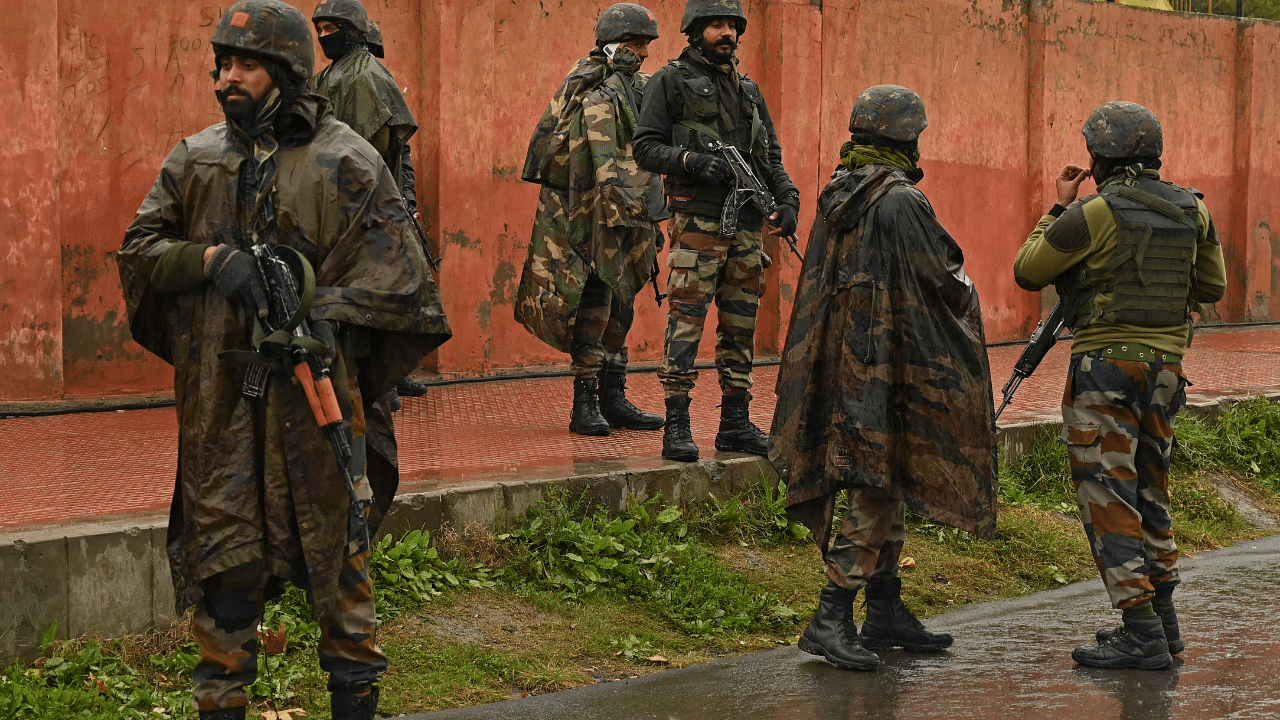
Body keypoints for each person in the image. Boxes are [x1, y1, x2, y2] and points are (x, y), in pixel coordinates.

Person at [115, 2, 451, 718]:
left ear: (289, 71)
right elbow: (139, 252)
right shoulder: (196, 158)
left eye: (245, 64)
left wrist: (320, 314)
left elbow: (405, 285)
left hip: (317, 409)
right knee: (223, 573)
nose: (225, 79)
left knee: (342, 579)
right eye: (221, 64)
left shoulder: (348, 161)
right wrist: (210, 262)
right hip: (223, 415)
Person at [769, 86, 997, 671]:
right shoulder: (899, 201)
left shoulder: (840, 193)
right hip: (889, 366)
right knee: (875, 479)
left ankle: (886, 609)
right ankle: (831, 615)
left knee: (887, 473)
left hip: (848, 362)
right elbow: (941, 276)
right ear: (908, 137)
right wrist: (967, 292)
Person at [1013, 101, 1226, 669]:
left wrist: (1056, 207)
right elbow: (1212, 286)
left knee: (1107, 494)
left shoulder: (1093, 212)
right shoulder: (1194, 211)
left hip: (1106, 369)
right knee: (1150, 489)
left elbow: (1029, 269)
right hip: (1166, 371)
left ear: (1101, 158)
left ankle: (1140, 631)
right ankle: (1166, 624)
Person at [633, 0, 799, 462]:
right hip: (698, 221)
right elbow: (645, 147)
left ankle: (734, 423)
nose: (727, 33)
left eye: (732, 26)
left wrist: (787, 200)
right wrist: (692, 161)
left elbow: (769, 158)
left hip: (746, 226)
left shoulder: (748, 91)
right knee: (686, 322)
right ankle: (678, 422)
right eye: (716, 25)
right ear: (695, 30)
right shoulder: (670, 81)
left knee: (740, 324)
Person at [515, 3, 667, 437]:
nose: (644, 53)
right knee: (592, 302)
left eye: (646, 45)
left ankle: (613, 396)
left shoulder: (640, 87)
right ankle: (584, 400)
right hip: (588, 213)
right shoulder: (582, 83)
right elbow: (552, 148)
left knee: (623, 300)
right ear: (615, 43)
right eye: (637, 44)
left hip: (631, 213)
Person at [311, 0, 430, 405]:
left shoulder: (362, 76)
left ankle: (382, 380)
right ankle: (382, 380)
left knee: (377, 293)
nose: (325, 36)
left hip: (361, 205)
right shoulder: (334, 75)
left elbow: (376, 151)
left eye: (333, 28)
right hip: (351, 205)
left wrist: (400, 201)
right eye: (320, 28)